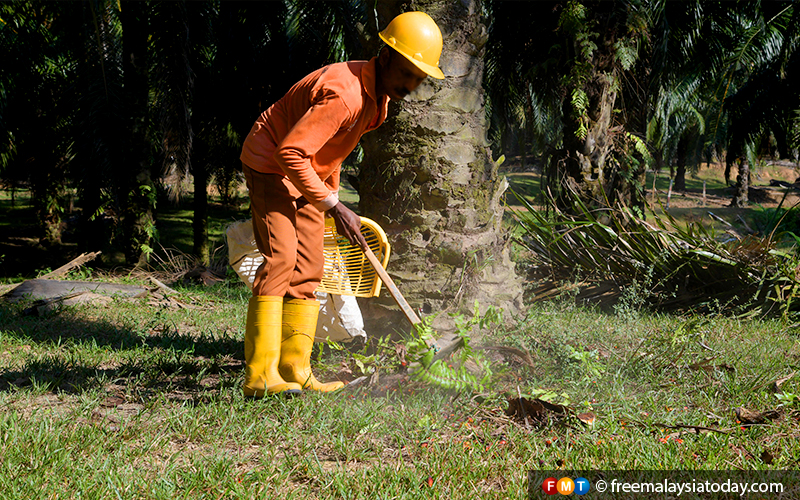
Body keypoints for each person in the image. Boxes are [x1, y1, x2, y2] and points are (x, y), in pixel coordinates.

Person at [239, 11, 445, 397]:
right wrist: (335, 206)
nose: (411, 85)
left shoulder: (376, 100)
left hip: (305, 173)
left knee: (311, 268)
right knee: (282, 260)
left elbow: (330, 155)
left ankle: (294, 369)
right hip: (272, 163)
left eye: (418, 79)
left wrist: (329, 208)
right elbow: (291, 152)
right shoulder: (346, 94)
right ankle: (260, 376)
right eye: (406, 73)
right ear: (385, 57)